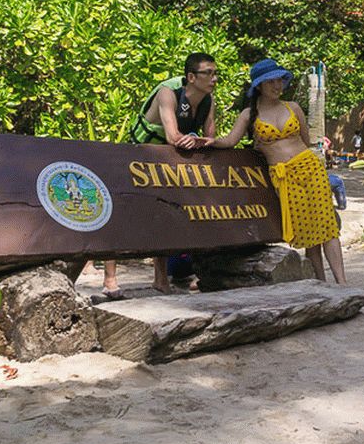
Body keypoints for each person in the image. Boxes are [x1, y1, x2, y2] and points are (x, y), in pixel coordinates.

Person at [212, 58, 347, 284]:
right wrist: (207, 141)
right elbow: (230, 141)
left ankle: (342, 283)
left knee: (327, 226)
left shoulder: (292, 107)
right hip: (285, 177)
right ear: (259, 86)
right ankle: (321, 285)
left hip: (309, 167)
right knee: (308, 233)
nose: (277, 86)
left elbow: (305, 140)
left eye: (279, 80)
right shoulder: (248, 114)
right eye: (270, 82)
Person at [100, 52, 219, 298]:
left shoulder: (209, 100)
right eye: (208, 73)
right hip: (138, 155)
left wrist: (201, 140)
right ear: (191, 77)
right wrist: (197, 140)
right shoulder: (168, 93)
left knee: (164, 214)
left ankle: (161, 280)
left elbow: (210, 138)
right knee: (120, 213)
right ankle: (110, 280)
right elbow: (172, 137)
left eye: (216, 73)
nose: (214, 79)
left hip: (168, 160)